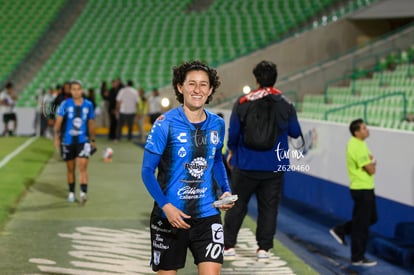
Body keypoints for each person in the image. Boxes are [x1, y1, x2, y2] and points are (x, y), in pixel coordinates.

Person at [141, 60, 234, 274]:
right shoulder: (165, 123)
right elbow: (147, 171)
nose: (197, 90)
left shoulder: (217, 124)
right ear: (179, 87)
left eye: (203, 84)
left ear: (210, 90)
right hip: (170, 217)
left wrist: (225, 189)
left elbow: (217, 160)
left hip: (208, 215)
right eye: (191, 84)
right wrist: (165, 206)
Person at [223, 60, 303, 261]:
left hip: (245, 164)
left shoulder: (243, 102)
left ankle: (228, 245)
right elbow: (295, 132)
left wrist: (231, 152)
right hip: (274, 167)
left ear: (256, 79)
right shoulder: (285, 103)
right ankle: (263, 249)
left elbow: (233, 133)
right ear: (275, 79)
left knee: (237, 205)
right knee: (268, 208)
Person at [329, 118, 378, 267]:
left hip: (366, 187)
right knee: (361, 224)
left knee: (370, 218)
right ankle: (357, 257)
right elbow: (371, 168)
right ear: (356, 132)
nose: (367, 129)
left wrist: (372, 162)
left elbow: (371, 164)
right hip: (362, 188)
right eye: (363, 128)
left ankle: (341, 230)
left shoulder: (359, 144)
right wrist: (373, 163)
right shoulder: (357, 146)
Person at [54, 80, 96, 204]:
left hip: (83, 141)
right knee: (70, 168)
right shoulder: (65, 104)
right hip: (68, 141)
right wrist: (56, 137)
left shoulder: (88, 105)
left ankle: (83, 193)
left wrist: (93, 139)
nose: (76, 91)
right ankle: (71, 192)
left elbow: (91, 123)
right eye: (73, 89)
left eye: (78, 89)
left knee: (82, 167)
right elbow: (58, 122)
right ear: (70, 91)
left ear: (81, 90)